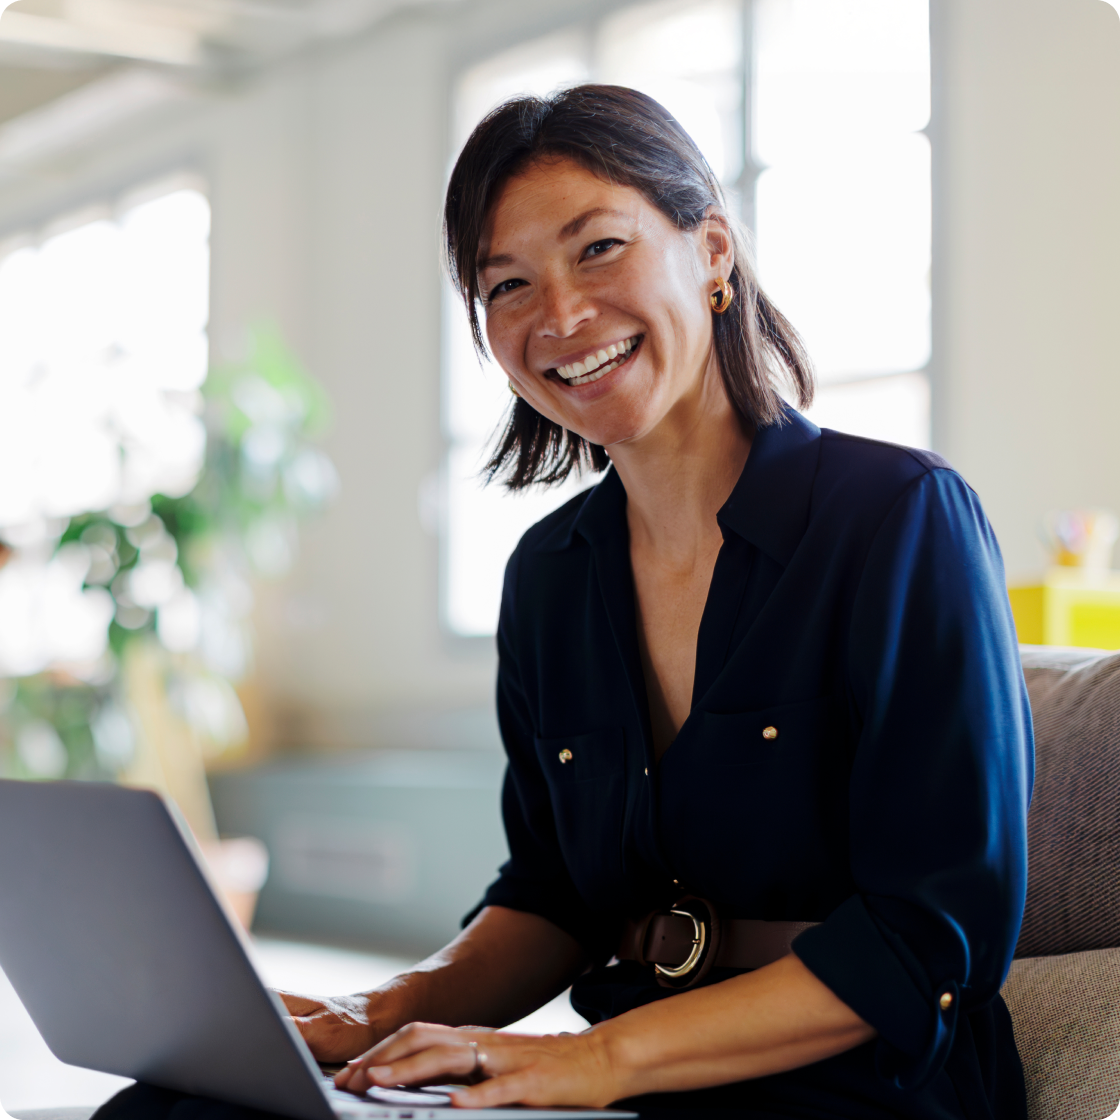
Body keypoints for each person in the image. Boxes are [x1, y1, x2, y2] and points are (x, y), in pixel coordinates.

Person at [281, 85, 1033, 1120]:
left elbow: (928, 934)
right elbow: (550, 896)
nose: (560, 316)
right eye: (506, 284)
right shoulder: (549, 574)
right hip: (629, 1066)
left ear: (711, 251)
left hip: (858, 1084)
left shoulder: (898, 517)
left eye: (597, 249)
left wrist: (599, 1061)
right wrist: (368, 1012)